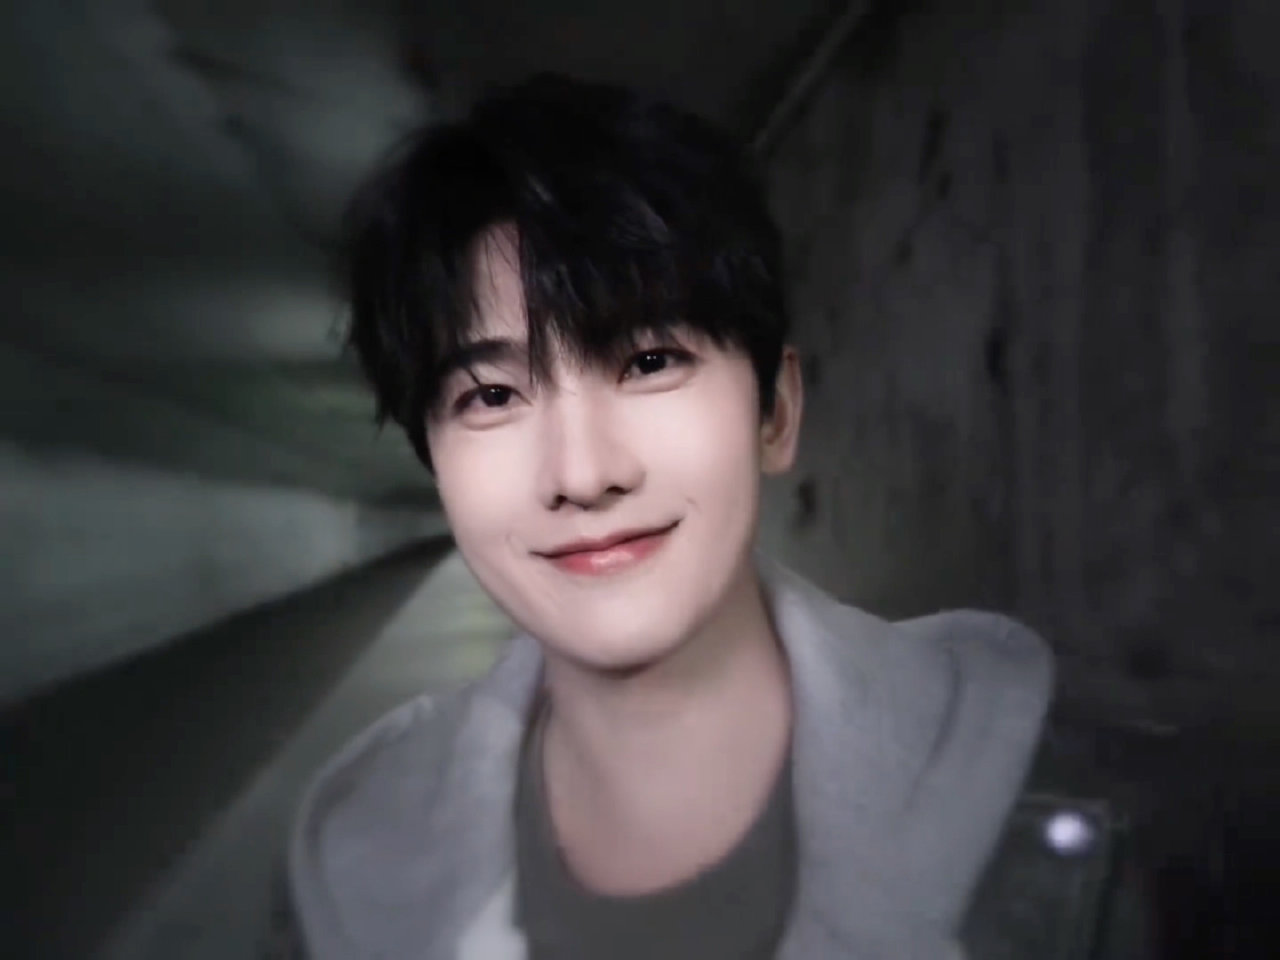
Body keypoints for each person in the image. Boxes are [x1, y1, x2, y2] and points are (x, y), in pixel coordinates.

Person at [282, 73, 1053, 959]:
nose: (583, 474)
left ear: (775, 413)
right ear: (436, 466)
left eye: (649, 361)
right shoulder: (352, 871)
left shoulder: (1066, 816)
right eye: (491, 395)